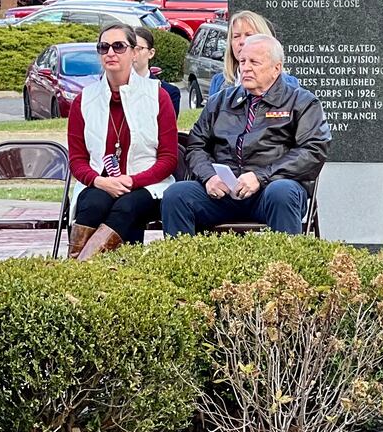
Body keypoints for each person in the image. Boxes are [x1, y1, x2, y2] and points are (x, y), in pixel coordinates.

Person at [163, 33, 329, 234]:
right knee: (176, 195)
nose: (245, 68)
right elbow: (196, 145)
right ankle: (182, 265)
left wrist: (261, 176)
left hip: (271, 189)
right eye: (242, 61)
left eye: (254, 62)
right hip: (224, 192)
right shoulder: (220, 101)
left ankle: (284, 266)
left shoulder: (302, 102)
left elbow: (313, 151)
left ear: (276, 68)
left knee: (282, 192)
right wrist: (209, 177)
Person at [66, 23, 178, 258]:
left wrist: (132, 180)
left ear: (134, 52)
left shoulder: (158, 96)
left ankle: (80, 268)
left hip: (148, 185)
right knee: (94, 203)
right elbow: (77, 160)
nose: (110, 53)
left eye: (119, 46)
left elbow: (168, 158)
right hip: (98, 182)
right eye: (103, 47)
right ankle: (79, 266)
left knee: (127, 206)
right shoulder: (83, 100)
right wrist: (99, 181)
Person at [206, 9, 303, 100]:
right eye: (236, 36)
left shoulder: (289, 83)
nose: (242, 41)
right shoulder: (219, 82)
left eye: (249, 35)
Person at [132, 25, 181, 114]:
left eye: (138, 48)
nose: (133, 53)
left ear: (151, 53)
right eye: (130, 48)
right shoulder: (112, 88)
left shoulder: (169, 92)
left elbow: (168, 126)